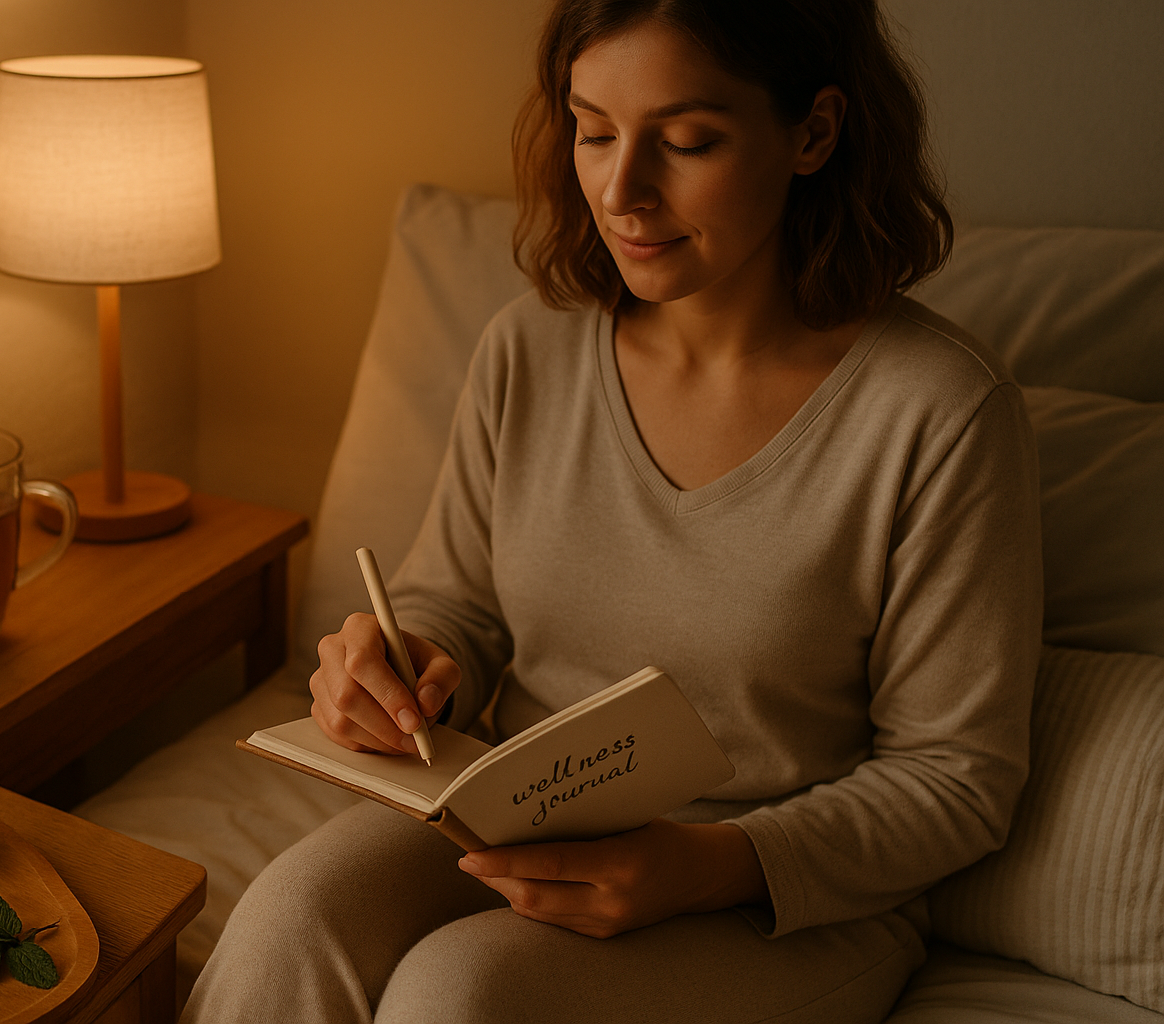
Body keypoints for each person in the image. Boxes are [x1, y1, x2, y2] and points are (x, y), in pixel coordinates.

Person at [185, 0, 1042, 1021]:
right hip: (523, 814)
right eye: (593, 131)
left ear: (814, 132)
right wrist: (406, 662)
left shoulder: (940, 412)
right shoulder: (530, 347)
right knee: (289, 913)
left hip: (787, 894)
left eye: (687, 141)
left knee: (458, 994)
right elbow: (458, 602)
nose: (623, 192)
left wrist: (706, 865)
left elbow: (956, 777)